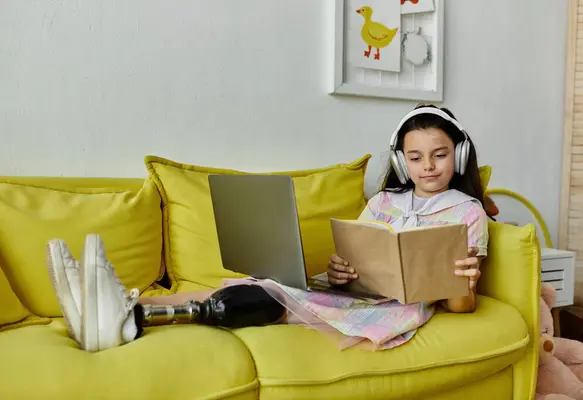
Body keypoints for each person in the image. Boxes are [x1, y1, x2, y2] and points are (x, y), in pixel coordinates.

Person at [46, 104, 488, 352]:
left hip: (394, 310)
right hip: (353, 294)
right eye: (415, 157)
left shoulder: (467, 213)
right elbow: (358, 260)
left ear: (460, 156)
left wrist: (463, 282)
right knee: (262, 283)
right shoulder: (383, 201)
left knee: (269, 297)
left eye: (440, 154)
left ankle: (129, 314)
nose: (427, 166)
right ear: (400, 161)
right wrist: (341, 270)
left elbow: (461, 306)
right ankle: (123, 306)